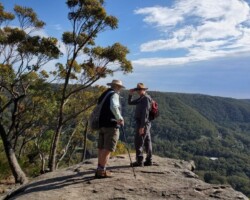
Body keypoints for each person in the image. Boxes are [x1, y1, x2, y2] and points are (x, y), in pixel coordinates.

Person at [95, 79, 125, 178]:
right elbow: (114, 107)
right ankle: (101, 170)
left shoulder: (104, 94)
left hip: (101, 124)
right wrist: (120, 118)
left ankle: (99, 168)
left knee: (101, 147)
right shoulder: (114, 94)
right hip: (111, 125)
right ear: (117, 87)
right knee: (108, 148)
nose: (120, 89)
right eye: (119, 87)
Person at [128, 83, 153, 167]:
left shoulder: (145, 98)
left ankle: (139, 161)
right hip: (145, 123)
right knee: (147, 141)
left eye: (140, 89)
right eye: (137, 89)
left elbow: (145, 113)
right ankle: (149, 161)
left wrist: (142, 126)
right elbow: (130, 102)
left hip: (143, 123)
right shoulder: (141, 98)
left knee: (139, 142)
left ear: (144, 90)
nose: (138, 91)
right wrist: (131, 94)